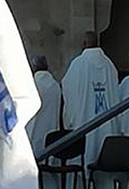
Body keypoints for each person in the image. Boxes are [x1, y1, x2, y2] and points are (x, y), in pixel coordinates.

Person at [62, 31, 120, 166]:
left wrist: (70, 118)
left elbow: (68, 89)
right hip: (107, 125)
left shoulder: (78, 65)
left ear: (84, 43)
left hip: (84, 121)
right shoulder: (109, 66)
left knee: (84, 159)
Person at [26, 55, 61, 155]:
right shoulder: (55, 85)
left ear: (33, 67)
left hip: (34, 132)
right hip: (51, 132)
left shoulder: (32, 86)